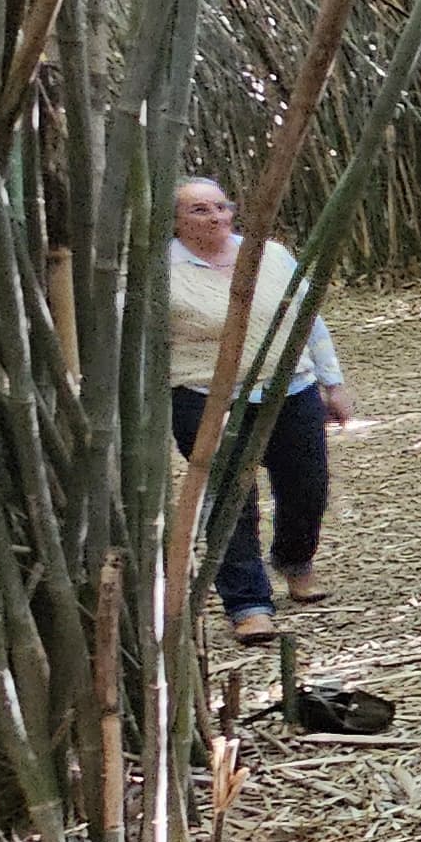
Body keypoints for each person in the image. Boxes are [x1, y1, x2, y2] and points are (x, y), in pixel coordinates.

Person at [167, 177, 354, 644]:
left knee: (307, 486)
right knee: (230, 497)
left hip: (291, 387)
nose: (216, 216)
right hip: (206, 396)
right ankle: (247, 603)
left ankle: (295, 560)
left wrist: (333, 382)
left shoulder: (270, 255)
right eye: (199, 210)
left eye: (221, 206)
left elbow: (309, 320)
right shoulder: (161, 270)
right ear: (174, 221)